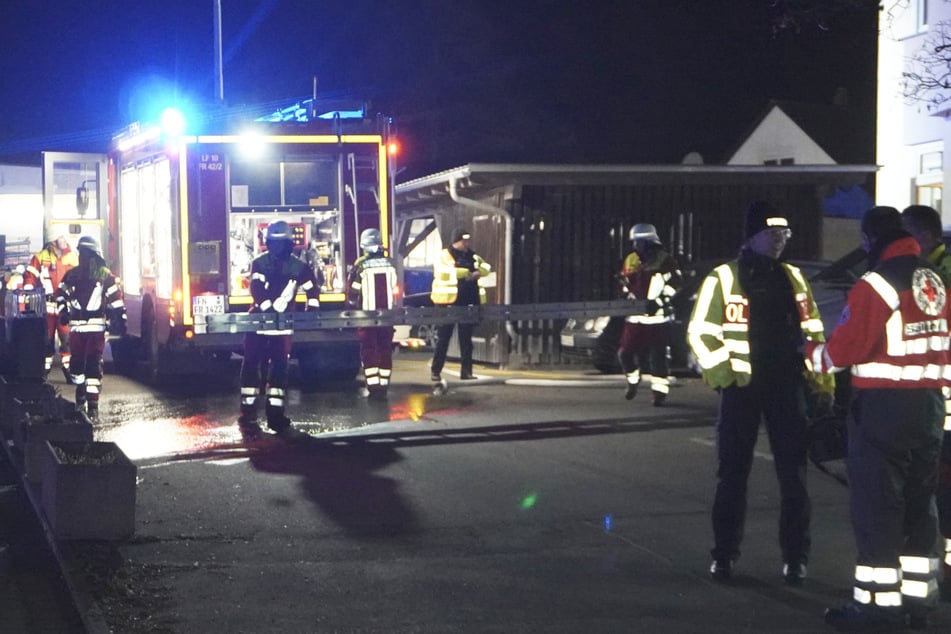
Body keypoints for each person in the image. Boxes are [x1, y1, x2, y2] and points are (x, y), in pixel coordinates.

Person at [809, 206, 948, 630]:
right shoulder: (934, 279)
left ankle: (875, 609)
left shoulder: (877, 283)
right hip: (929, 408)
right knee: (920, 505)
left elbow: (846, 348)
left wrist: (813, 357)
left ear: (870, 240)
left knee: (877, 510)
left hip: (884, 410)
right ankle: (918, 602)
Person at [687, 200, 834, 587]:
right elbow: (701, 331)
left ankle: (796, 558)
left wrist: (823, 383)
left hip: (787, 386)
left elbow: (814, 331)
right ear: (752, 236)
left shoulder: (794, 278)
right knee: (732, 476)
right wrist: (725, 376)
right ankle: (724, 555)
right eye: (772, 234)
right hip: (741, 391)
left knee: (794, 478)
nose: (780, 241)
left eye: (784, 234)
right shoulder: (724, 277)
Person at [902, 204, 951, 596]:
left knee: (942, 486)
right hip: (936, 397)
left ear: (928, 236)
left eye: (911, 235)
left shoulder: (938, 275)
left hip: (941, 400)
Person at [238, 220, 319, 440]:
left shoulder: (261, 263)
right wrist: (308, 311)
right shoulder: (296, 266)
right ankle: (267, 415)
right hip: (275, 324)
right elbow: (312, 289)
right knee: (273, 367)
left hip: (262, 324)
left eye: (275, 243)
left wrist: (308, 311)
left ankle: (254, 414)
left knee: (259, 365)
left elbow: (311, 289)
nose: (274, 247)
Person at [55, 236, 126, 422]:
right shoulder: (101, 275)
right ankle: (86, 405)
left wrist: (63, 312)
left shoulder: (78, 275)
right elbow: (61, 295)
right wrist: (120, 318)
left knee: (86, 367)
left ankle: (89, 406)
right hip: (87, 331)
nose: (82, 257)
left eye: (83, 253)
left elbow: (60, 295)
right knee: (84, 368)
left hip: (83, 331)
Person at [617, 223, 682, 406]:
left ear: (649, 242)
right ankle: (632, 380)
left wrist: (659, 302)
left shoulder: (665, 260)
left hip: (657, 318)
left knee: (658, 358)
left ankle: (659, 393)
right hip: (635, 318)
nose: (635, 246)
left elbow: (675, 284)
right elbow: (624, 282)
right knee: (624, 354)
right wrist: (624, 294)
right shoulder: (631, 260)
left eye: (639, 242)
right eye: (634, 242)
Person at [430, 228, 492, 382]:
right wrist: (465, 273)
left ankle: (466, 372)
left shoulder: (472, 255)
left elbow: (487, 267)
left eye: (467, 240)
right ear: (455, 241)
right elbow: (442, 272)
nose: (466, 243)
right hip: (447, 303)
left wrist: (479, 273)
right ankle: (435, 371)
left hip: (468, 302)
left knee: (466, 340)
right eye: (463, 240)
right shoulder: (444, 255)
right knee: (443, 339)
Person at [346, 228, 399, 400]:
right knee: (385, 350)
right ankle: (384, 385)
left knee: (369, 350)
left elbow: (353, 291)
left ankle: (373, 386)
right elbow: (396, 288)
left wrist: (353, 306)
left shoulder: (361, 264)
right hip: (387, 317)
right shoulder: (390, 263)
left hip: (367, 317)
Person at [23, 234, 78, 377]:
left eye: (65, 238)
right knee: (46, 339)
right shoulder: (41, 257)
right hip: (46, 306)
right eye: (61, 237)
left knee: (67, 339)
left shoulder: (72, 257)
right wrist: (29, 290)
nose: (64, 240)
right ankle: (44, 369)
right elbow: (30, 275)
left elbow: (79, 279)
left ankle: (68, 369)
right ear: (54, 239)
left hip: (64, 306)